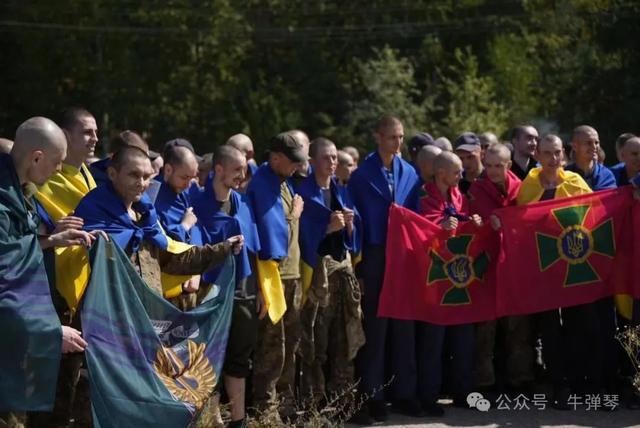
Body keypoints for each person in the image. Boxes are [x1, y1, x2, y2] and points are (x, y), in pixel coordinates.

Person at [0, 117, 99, 427]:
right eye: (57, 163)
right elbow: (6, 283)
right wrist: (52, 331)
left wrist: (53, 239)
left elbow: (18, 247)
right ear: (37, 157)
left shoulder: (18, 193)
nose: (59, 171)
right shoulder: (3, 206)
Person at [74, 146, 243, 302]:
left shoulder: (146, 215)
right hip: (108, 318)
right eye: (134, 175)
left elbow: (173, 257)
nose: (141, 183)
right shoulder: (92, 212)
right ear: (112, 173)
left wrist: (224, 248)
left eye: (146, 177)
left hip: (147, 316)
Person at [348, 116, 421, 423]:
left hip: (402, 256)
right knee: (376, 329)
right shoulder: (362, 176)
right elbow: (358, 223)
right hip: (376, 256)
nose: (398, 143)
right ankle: (374, 395)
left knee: (404, 327)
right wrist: (361, 268)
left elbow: (416, 218)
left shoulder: (410, 173)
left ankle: (405, 392)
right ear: (378, 137)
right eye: (392, 137)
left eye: (401, 137)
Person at [33, 107, 100, 427]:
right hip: (53, 292)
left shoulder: (91, 176)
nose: (95, 139)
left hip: (88, 289)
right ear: (65, 135)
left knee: (79, 387)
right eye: (87, 132)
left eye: (96, 132)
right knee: (52, 391)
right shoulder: (44, 178)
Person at [515, 134, 591, 409]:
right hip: (543, 267)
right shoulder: (529, 185)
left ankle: (575, 382)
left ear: (564, 155)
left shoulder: (576, 183)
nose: (552, 158)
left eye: (557, 153)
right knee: (549, 329)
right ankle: (557, 384)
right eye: (547, 153)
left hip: (573, 266)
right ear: (538, 156)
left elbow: (593, 217)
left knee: (574, 326)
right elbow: (519, 222)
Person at [191, 145, 263, 428]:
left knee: (240, 356)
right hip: (211, 294)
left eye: (244, 169)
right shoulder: (198, 204)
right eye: (236, 169)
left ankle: (239, 419)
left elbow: (255, 250)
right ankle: (212, 418)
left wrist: (260, 291)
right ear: (218, 169)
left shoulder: (243, 203)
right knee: (208, 357)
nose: (241, 175)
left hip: (244, 292)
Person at [296, 138, 365, 407]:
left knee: (345, 340)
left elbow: (355, 238)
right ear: (311, 162)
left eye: (335, 157)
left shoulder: (341, 191)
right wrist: (326, 229)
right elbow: (299, 239)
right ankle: (313, 403)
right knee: (316, 343)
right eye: (326, 158)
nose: (332, 162)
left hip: (343, 276)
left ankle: (343, 402)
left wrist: (349, 226)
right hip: (318, 279)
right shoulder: (304, 193)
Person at [246, 132, 306, 421]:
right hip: (273, 278)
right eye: (293, 161)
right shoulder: (263, 184)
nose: (297, 167)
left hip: (290, 275)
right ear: (276, 157)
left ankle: (285, 403)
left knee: (290, 344)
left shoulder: (284, 181)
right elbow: (266, 235)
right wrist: (294, 214)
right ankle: (265, 410)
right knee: (272, 348)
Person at [417, 151, 482, 416]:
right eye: (457, 172)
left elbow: (463, 223)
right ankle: (428, 396)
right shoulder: (424, 195)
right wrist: (439, 225)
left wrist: (473, 222)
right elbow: (420, 227)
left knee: (463, 338)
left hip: (459, 276)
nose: (461, 175)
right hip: (435, 277)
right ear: (441, 173)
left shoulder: (459, 196)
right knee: (434, 341)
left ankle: (463, 392)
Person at [466, 144, 529, 394]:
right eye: (488, 165)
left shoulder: (522, 190)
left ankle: (520, 379)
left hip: (514, 267)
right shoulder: (476, 190)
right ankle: (484, 382)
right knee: (485, 328)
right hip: (486, 267)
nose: (492, 171)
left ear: (509, 165)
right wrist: (479, 224)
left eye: (498, 166)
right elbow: (468, 225)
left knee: (518, 326)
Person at [563, 125, 618, 397]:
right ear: (574, 145)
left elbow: (603, 208)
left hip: (601, 263)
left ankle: (601, 384)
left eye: (596, 142)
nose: (593, 147)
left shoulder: (606, 176)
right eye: (587, 142)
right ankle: (576, 384)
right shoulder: (565, 176)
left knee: (603, 325)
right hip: (573, 263)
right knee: (574, 326)